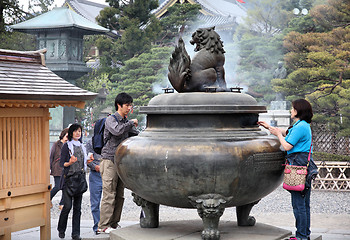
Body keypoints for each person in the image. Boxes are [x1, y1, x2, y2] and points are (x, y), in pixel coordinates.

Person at [258, 99, 318, 240]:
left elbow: (287, 146)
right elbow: (288, 132)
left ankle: (301, 236)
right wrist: (269, 128)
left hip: (299, 169)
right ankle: (305, 235)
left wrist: (278, 135)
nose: (291, 111)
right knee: (304, 204)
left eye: (292, 109)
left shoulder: (300, 127)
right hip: (304, 168)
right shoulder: (301, 125)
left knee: (299, 206)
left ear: (298, 111)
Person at [97, 92, 139, 234]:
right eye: (127, 105)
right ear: (119, 105)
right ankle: (103, 226)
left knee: (120, 194)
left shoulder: (125, 121)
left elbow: (136, 134)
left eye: (130, 105)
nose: (129, 108)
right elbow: (116, 131)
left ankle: (114, 223)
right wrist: (131, 123)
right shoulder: (111, 120)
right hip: (109, 160)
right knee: (109, 193)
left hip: (120, 162)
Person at [57, 123, 94, 240]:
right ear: (71, 133)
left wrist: (88, 161)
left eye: (80, 131)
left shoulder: (82, 146)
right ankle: (61, 228)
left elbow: (82, 163)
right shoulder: (66, 146)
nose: (78, 133)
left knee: (77, 208)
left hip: (80, 179)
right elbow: (61, 163)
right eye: (76, 131)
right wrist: (70, 162)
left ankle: (75, 234)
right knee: (67, 206)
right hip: (69, 180)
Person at [85, 138, 102, 235]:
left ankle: (107, 224)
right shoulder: (90, 142)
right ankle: (97, 226)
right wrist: (95, 166)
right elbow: (88, 160)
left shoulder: (109, 139)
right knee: (95, 203)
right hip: (95, 173)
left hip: (108, 172)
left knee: (109, 200)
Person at [50, 128, 68, 210]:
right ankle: (48, 198)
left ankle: (62, 203)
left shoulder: (69, 144)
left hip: (66, 168)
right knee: (58, 186)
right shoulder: (56, 144)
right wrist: (49, 168)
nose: (67, 138)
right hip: (57, 167)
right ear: (63, 135)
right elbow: (51, 156)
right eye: (67, 136)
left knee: (65, 187)